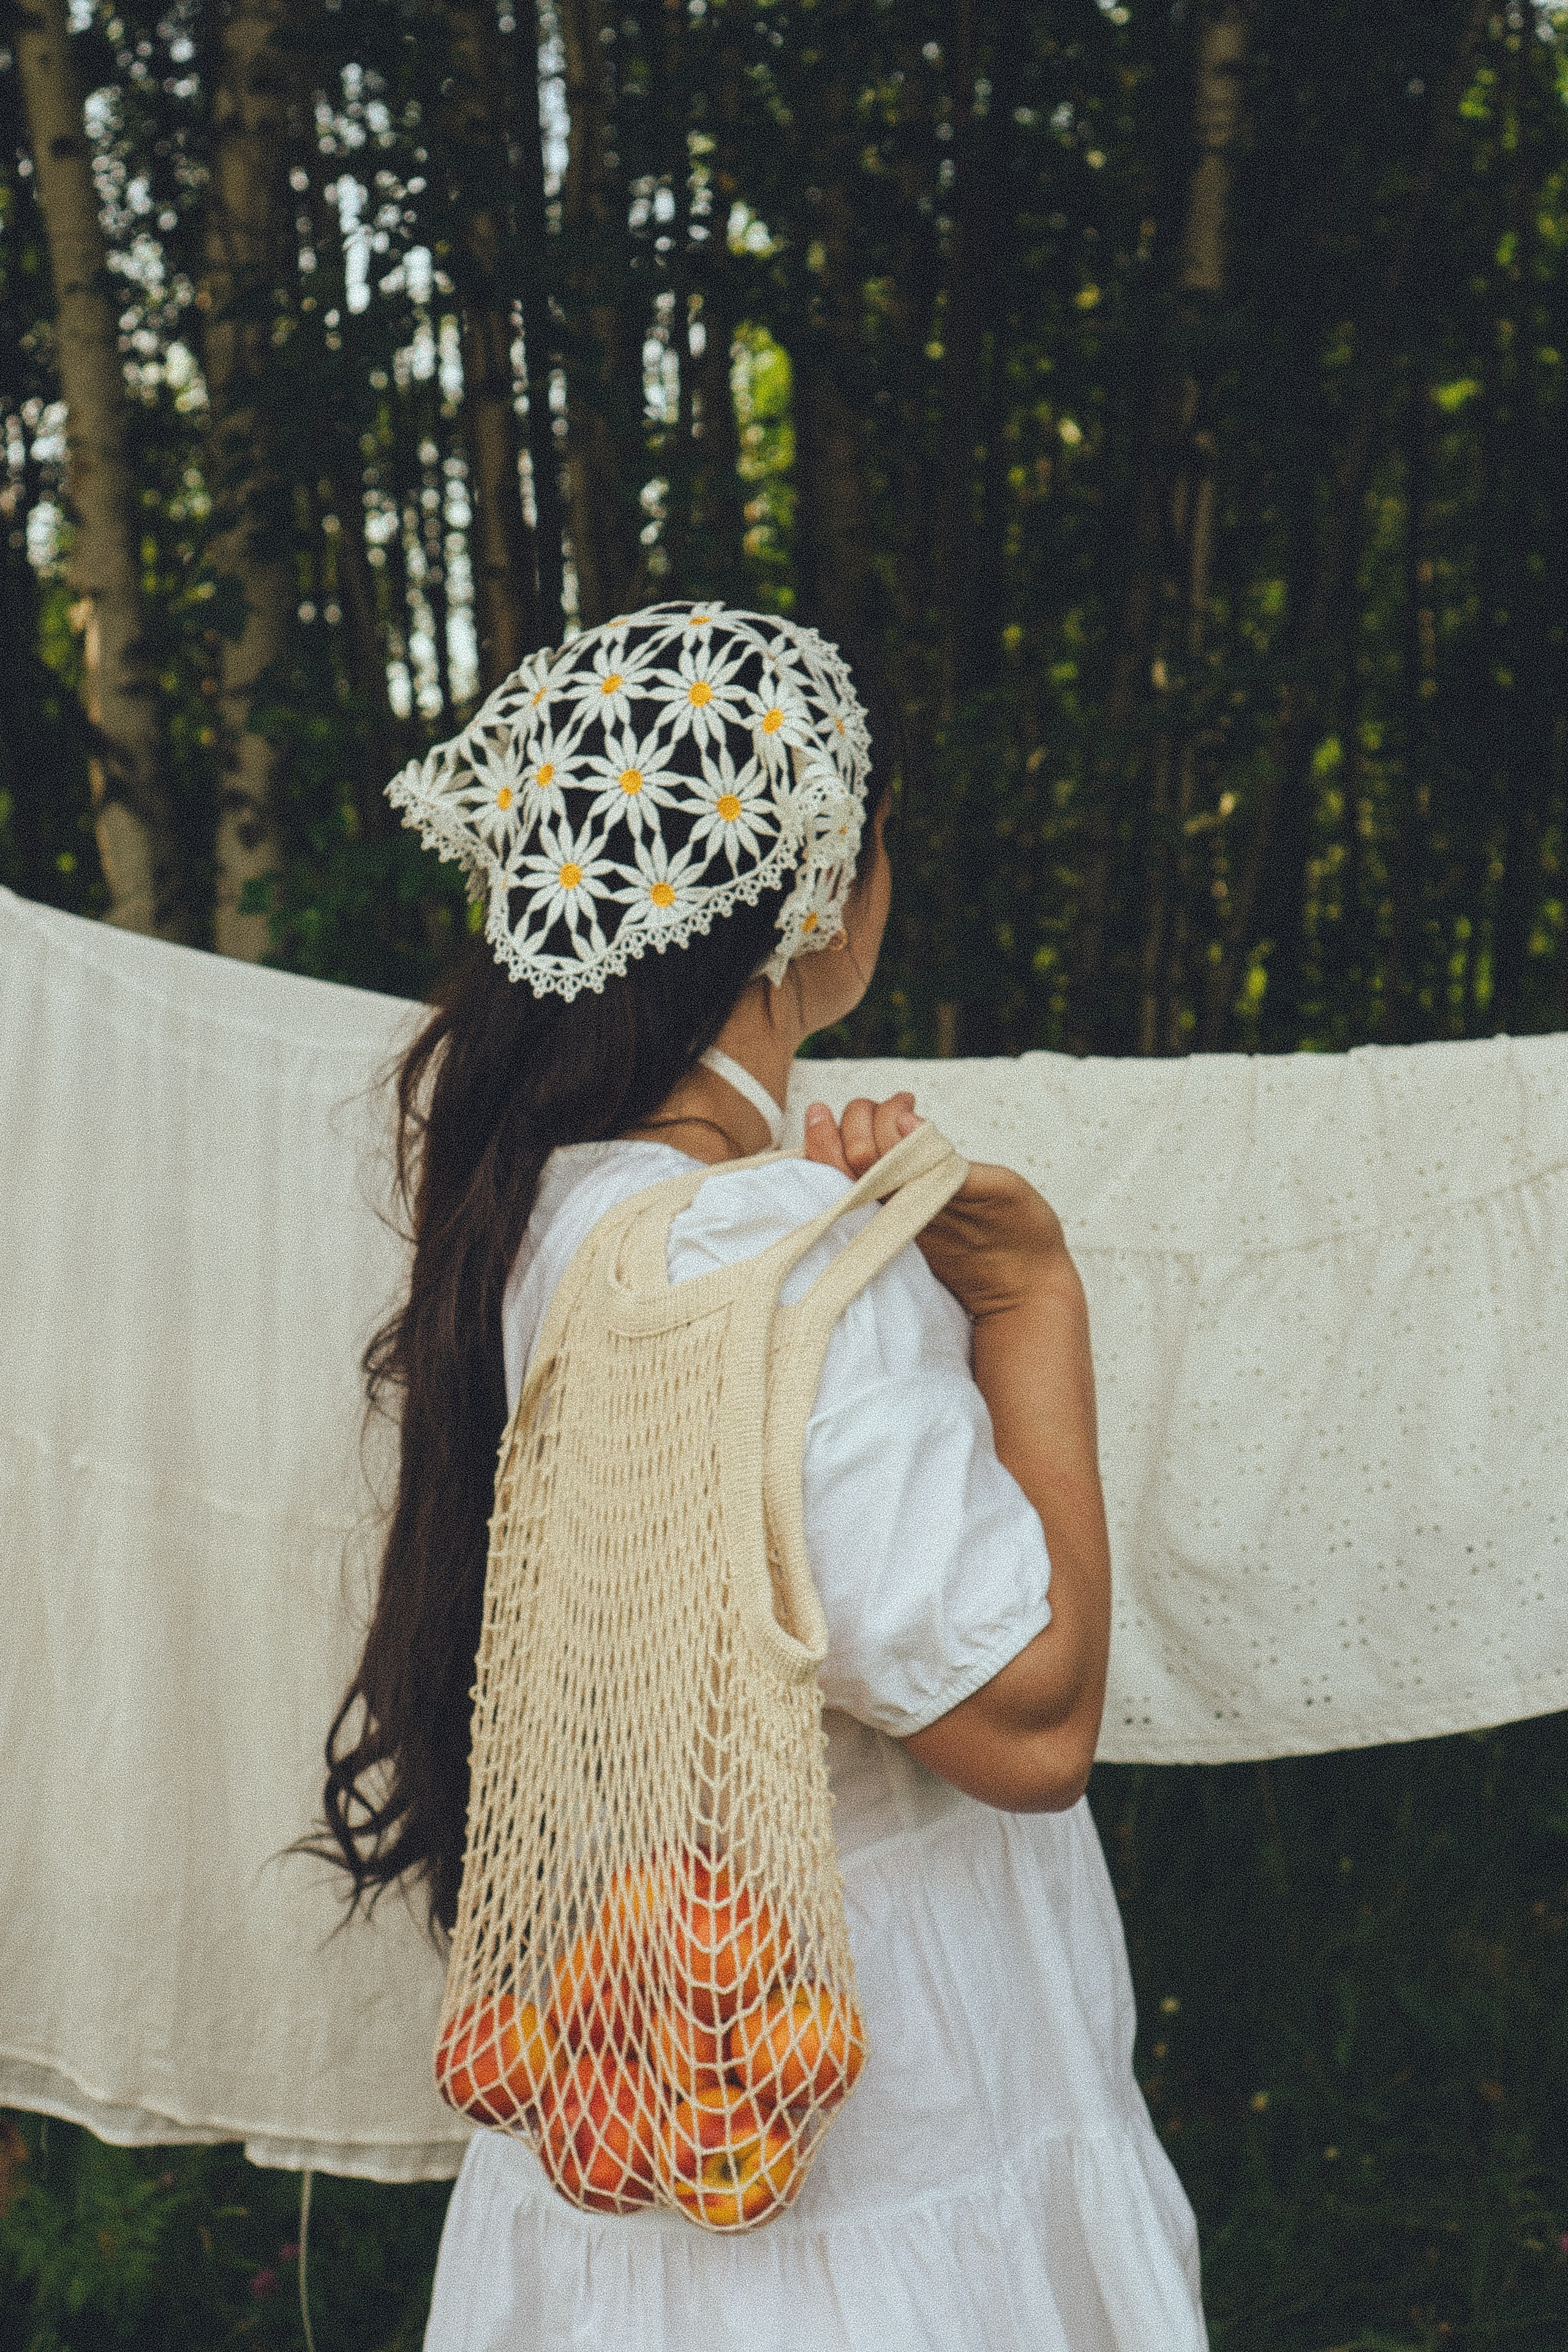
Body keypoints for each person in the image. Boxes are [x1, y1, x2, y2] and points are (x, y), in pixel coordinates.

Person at [318, 601, 1208, 2350]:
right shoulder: (768, 1257)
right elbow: (1024, 1721)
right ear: (823, 889)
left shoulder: (531, 1225)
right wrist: (1030, 1306)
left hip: (634, 2129)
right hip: (873, 2175)